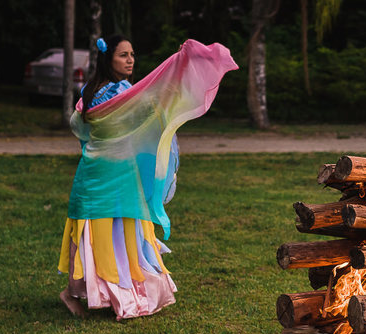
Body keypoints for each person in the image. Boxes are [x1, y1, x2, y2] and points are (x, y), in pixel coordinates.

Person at [58, 34, 237, 318]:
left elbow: (87, 127)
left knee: (124, 231)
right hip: (97, 176)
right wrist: (177, 68)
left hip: (121, 174)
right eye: (123, 55)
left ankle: (120, 293)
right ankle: (73, 292)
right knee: (92, 233)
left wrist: (179, 66)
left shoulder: (109, 92)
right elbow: (149, 106)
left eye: (132, 54)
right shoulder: (99, 93)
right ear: (108, 59)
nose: (130, 60)